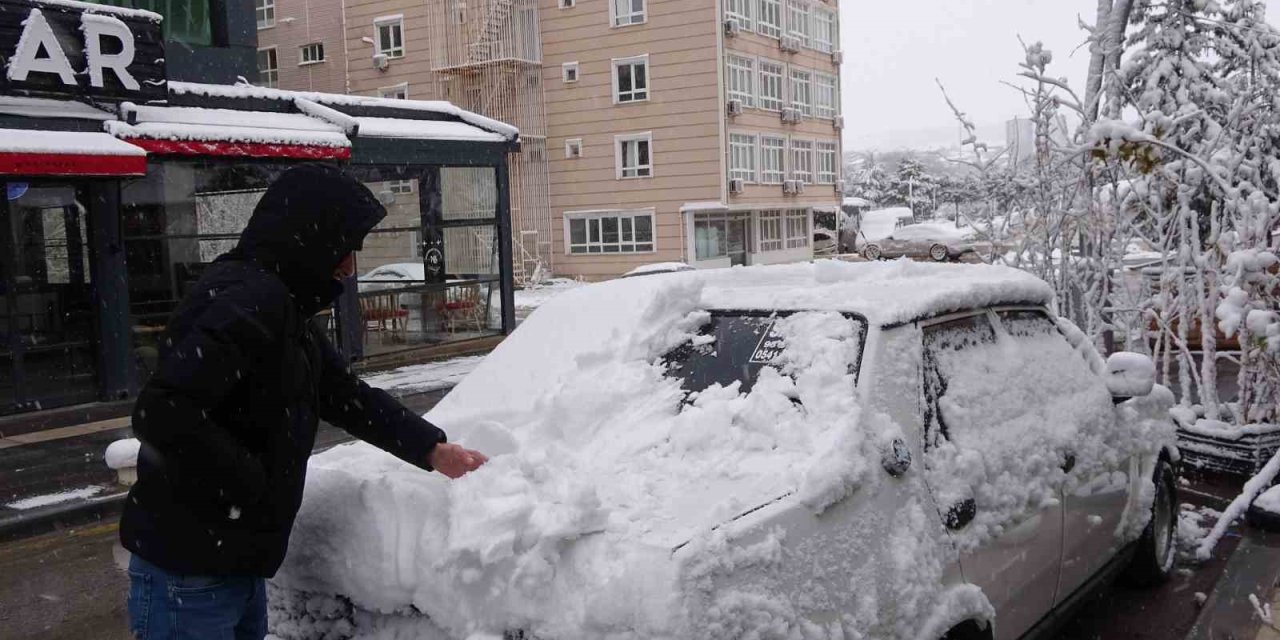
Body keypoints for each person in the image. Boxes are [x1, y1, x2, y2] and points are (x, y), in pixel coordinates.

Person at [119, 164, 487, 640]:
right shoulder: (249, 299)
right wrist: (252, 484)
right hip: (188, 576)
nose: (349, 266)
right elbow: (164, 412)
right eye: (344, 248)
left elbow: (343, 395)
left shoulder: (282, 306)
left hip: (231, 564)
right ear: (307, 240)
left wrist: (432, 449)